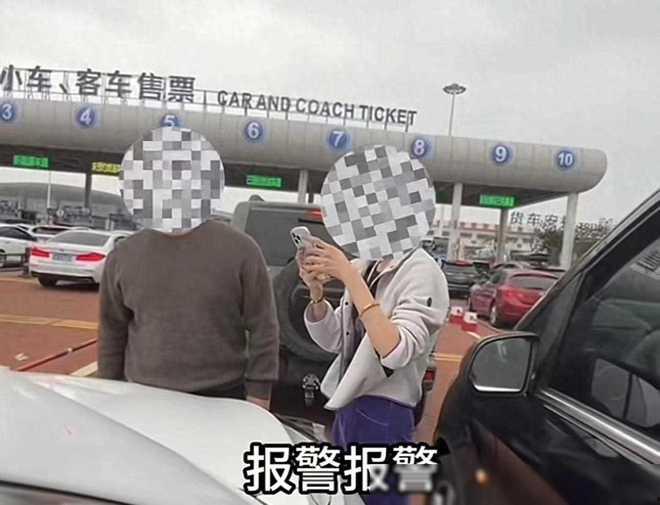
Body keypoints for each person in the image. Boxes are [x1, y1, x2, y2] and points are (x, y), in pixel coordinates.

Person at [299, 144, 449, 505]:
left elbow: (395, 351)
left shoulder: (422, 271)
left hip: (386, 411)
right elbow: (334, 340)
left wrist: (350, 278)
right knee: (344, 498)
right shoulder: (367, 263)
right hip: (348, 403)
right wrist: (317, 294)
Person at [97, 126, 279, 410]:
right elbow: (112, 330)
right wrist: (108, 392)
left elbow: (264, 327)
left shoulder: (242, 250)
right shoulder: (123, 256)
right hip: (143, 397)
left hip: (222, 399)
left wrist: (259, 395)